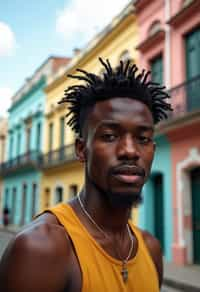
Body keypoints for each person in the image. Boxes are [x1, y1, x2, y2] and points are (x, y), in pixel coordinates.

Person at [0, 58, 172, 291]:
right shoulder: (41, 248)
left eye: (143, 138)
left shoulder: (150, 248)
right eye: (110, 136)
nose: (130, 151)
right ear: (82, 150)